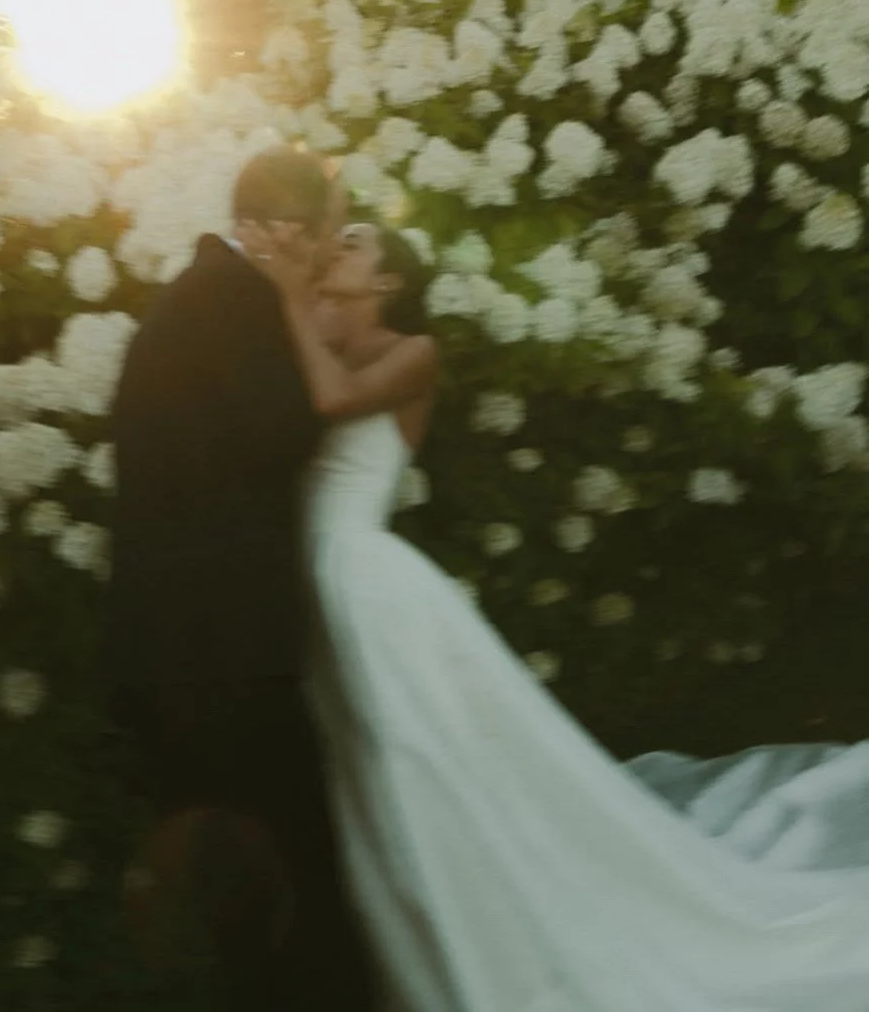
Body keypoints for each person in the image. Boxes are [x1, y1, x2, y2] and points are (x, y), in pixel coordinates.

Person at [243, 215, 869, 1012]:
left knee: (414, 757)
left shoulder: (413, 354)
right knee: (369, 760)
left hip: (367, 577)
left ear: (389, 281)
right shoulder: (326, 336)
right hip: (323, 574)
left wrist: (292, 295)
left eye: (354, 244)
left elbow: (331, 403)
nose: (337, 248)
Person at [103, 146, 377, 1012]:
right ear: (281, 233)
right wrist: (297, 300)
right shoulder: (234, 304)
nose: (334, 250)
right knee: (286, 870)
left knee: (231, 878)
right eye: (327, 232)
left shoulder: (201, 295)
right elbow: (282, 435)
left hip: (176, 639)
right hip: (217, 650)